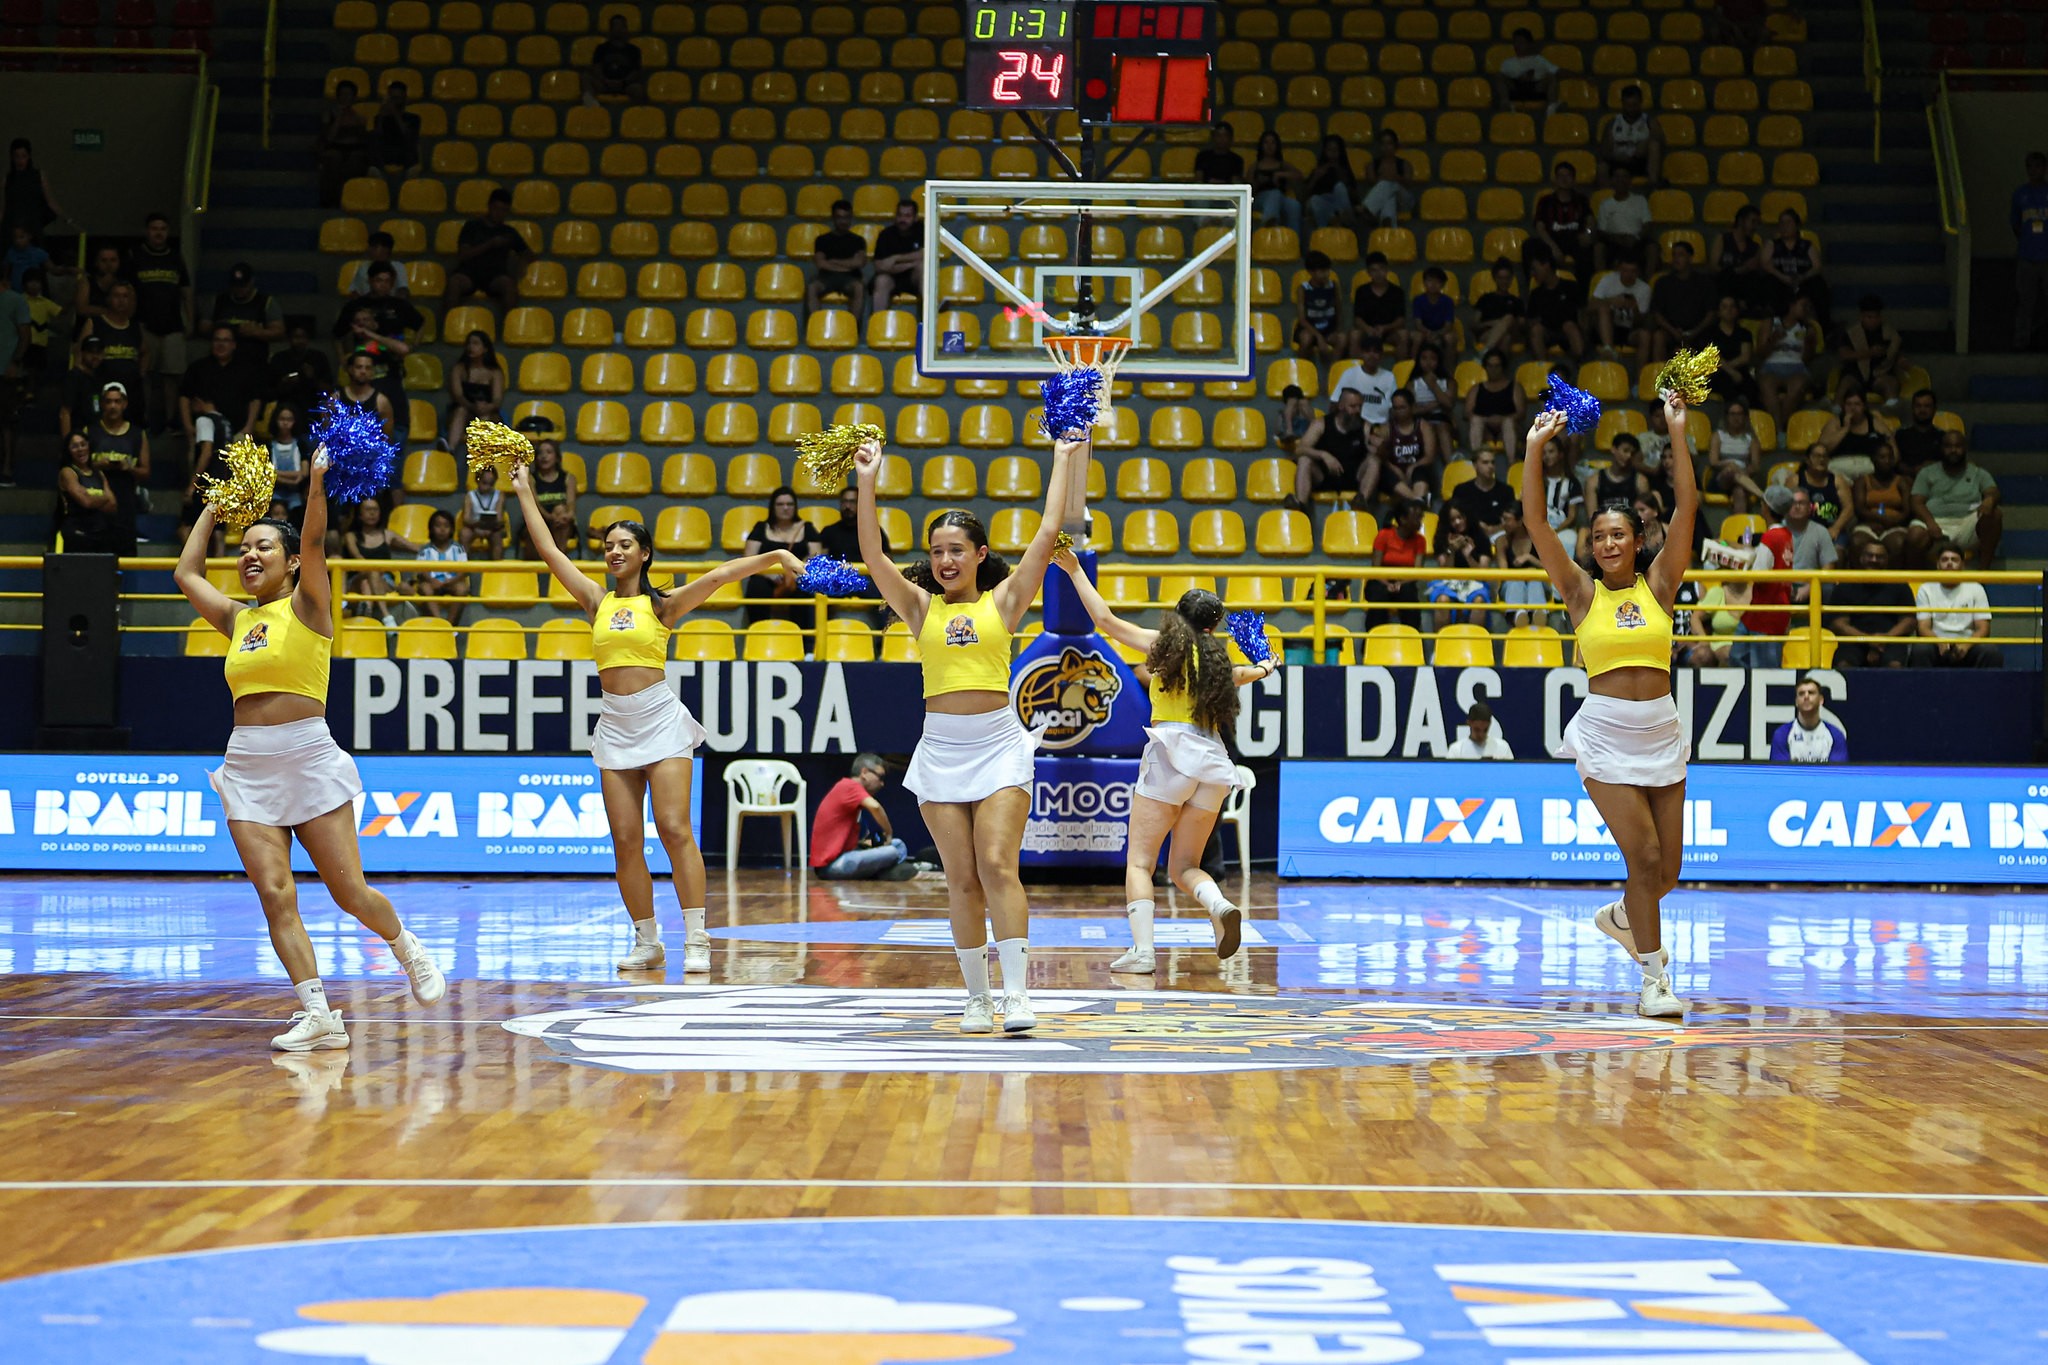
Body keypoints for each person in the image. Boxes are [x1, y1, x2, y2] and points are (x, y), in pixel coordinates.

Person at [173, 450, 447, 1050]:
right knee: (275, 893)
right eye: (244, 547)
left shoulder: (310, 606)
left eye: (264, 546)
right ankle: (319, 1012)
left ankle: (408, 948)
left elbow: (319, 540)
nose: (250, 554)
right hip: (246, 763)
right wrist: (215, 508)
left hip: (307, 756)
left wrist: (317, 481)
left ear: (293, 562)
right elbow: (187, 574)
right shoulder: (238, 619)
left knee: (349, 891)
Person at [513, 463, 802, 970]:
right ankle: (647, 941)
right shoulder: (595, 601)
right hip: (615, 725)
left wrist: (776, 555)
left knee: (673, 829)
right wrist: (523, 488)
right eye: (608, 545)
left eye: (625, 544)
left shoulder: (662, 606)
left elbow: (718, 576)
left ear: (644, 554)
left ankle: (696, 937)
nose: (614, 552)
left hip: (661, 722)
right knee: (625, 840)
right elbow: (549, 551)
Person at [849, 429, 1079, 1034]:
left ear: (979, 554)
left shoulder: (1004, 603)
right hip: (942, 751)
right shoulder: (920, 608)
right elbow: (872, 555)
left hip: (1000, 746)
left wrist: (1061, 456)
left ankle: (1018, 996)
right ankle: (976, 998)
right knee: (961, 878)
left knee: (999, 864)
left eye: (957, 549)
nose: (945, 560)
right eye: (937, 551)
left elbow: (1047, 531)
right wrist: (867, 480)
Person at [1523, 388, 1700, 1019]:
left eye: (1618, 534)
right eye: (1598, 536)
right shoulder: (1578, 593)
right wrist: (1535, 447)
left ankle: (1629, 915)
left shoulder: (1661, 585)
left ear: (1637, 539)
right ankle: (1654, 980)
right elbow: (1537, 524)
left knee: (1668, 873)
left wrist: (1675, 429)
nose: (1606, 544)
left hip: (1661, 731)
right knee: (1645, 858)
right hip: (1604, 735)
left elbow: (1687, 509)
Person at [335, 263, 422, 415]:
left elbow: (420, 324)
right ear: (370, 280)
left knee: (393, 417)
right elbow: (337, 335)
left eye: (387, 281)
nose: (383, 285)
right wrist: (343, 360)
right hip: (361, 369)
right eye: (379, 280)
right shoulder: (356, 305)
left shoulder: (400, 305)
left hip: (390, 369)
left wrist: (414, 345)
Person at [1910, 428, 2001, 569]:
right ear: (1941, 448)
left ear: (1965, 448)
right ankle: (1917, 579)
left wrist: (1989, 500)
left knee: (1995, 514)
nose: (1953, 450)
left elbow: (1993, 491)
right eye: (1948, 446)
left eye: (1958, 446)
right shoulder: (1927, 472)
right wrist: (1930, 523)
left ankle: (1984, 573)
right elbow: (1917, 502)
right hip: (1935, 522)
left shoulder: (1978, 472)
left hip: (1966, 525)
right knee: (1915, 535)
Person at [810, 754, 912, 879]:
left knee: (898, 845)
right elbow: (875, 807)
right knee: (893, 851)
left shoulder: (849, 792)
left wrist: (870, 843)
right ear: (864, 772)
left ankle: (880, 870)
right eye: (880, 777)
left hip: (847, 854)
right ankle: (884, 871)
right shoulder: (849, 786)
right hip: (832, 865)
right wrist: (888, 832)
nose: (882, 784)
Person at [1910, 542, 2003, 668]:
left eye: (1954, 560)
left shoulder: (1976, 588)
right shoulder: (1926, 588)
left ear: (1962, 565)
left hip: (1967, 643)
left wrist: (1966, 644)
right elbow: (1923, 628)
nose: (1949, 563)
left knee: (1990, 652)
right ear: (1938, 565)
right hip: (1936, 643)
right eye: (1944, 560)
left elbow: (1983, 629)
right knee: (1920, 650)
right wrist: (1939, 642)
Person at [741, 485, 821, 626]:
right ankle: (757, 632)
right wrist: (768, 573)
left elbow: (815, 556)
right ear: (773, 506)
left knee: (805, 587)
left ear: (795, 507)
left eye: (789, 504)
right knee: (756, 586)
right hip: (766, 576)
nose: (785, 508)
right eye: (780, 504)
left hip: (796, 577)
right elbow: (748, 558)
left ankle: (804, 641)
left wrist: (794, 572)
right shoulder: (761, 528)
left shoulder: (807, 528)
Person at [1827, 540, 1914, 666]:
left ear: (1887, 560)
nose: (1874, 560)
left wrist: (1885, 638)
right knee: (1844, 665)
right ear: (1861, 558)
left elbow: (1909, 622)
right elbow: (1838, 624)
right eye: (1869, 555)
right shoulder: (1845, 585)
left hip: (1890, 640)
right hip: (1854, 641)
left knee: (1894, 665)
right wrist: (1867, 639)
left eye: (1880, 557)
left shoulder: (1900, 585)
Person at [445, 187, 530, 312]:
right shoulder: (472, 226)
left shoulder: (509, 232)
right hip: (469, 272)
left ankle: (510, 327)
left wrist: (522, 263)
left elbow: (527, 252)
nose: (499, 213)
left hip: (495, 275)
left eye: (503, 210)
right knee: (454, 282)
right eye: (496, 208)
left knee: (509, 285)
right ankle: (447, 324)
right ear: (489, 206)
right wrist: (490, 244)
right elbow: (463, 254)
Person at [79, 280, 150, 428]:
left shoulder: (135, 327)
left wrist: (140, 374)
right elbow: (79, 352)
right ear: (109, 299)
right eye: (117, 296)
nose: (121, 300)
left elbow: (145, 352)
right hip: (100, 392)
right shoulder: (95, 323)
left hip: (131, 393)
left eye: (125, 296)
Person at [89, 382, 149, 556]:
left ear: (125, 404)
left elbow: (145, 472)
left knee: (126, 553)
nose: (113, 406)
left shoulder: (137, 434)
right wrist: (98, 465)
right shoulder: (91, 431)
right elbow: (77, 468)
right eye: (108, 402)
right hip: (97, 501)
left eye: (117, 401)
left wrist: (128, 468)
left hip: (126, 502)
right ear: (102, 404)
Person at [181, 323, 261, 451]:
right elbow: (184, 397)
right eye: (217, 340)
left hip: (237, 432)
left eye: (226, 340)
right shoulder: (197, 368)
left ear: (234, 345)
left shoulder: (246, 369)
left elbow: (255, 399)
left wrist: (248, 427)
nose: (221, 344)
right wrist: (188, 426)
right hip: (205, 434)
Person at [1289, 388, 1372, 511]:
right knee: (1304, 459)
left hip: (1354, 478)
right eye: (1353, 406)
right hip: (1325, 476)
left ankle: (1361, 504)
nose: (1357, 411)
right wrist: (1323, 455)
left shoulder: (1365, 426)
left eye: (1360, 406)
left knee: (1374, 460)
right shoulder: (1321, 424)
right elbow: (1299, 450)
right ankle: (1300, 507)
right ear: (1341, 406)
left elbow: (1374, 451)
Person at [342, 496, 414, 624]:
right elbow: (358, 558)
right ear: (359, 514)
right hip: (356, 578)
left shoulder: (388, 534)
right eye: (368, 509)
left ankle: (366, 616)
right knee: (370, 575)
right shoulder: (351, 536)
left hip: (384, 581)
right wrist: (374, 570)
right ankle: (386, 617)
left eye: (375, 510)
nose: (372, 513)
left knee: (367, 584)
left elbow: (416, 548)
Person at [1647, 241, 1719, 362]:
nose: (1676, 259)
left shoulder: (1705, 282)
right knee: (1658, 337)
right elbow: (1657, 313)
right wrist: (1673, 331)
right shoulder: (1662, 283)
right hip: (1671, 332)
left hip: (1699, 332)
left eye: (1680, 255)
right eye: (1674, 255)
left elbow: (1711, 313)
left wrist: (1693, 332)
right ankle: (1658, 376)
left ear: (1690, 258)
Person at [1754, 294, 1815, 432]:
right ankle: (1778, 429)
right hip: (1771, 366)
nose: (1806, 309)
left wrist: (1809, 344)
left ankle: (1781, 427)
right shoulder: (1770, 323)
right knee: (1767, 387)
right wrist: (1773, 340)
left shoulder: (1809, 328)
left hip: (1797, 367)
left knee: (1797, 388)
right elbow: (1760, 354)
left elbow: (1807, 359)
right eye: (1803, 306)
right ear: (1792, 306)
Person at [1426, 503, 1491, 629]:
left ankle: (1476, 645)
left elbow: (1483, 573)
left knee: (1479, 601)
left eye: (1460, 517)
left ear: (1467, 517)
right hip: (1448, 581)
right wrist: (1452, 551)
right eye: (1452, 520)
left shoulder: (1481, 537)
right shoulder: (1441, 538)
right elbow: (1444, 571)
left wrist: (1468, 556)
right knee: (1443, 600)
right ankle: (1440, 645)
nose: (1457, 522)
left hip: (1474, 581)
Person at [209, 262, 284, 369]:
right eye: (236, 285)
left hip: (254, 360)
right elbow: (204, 326)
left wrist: (256, 332)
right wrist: (223, 328)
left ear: (251, 281)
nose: (239, 289)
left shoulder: (266, 302)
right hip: (222, 361)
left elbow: (279, 332)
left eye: (243, 286)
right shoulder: (219, 301)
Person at [1366, 498, 1427, 629]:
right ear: (1403, 519)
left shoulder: (1420, 541)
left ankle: (1414, 641)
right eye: (1416, 518)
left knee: (1409, 598)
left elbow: (1417, 572)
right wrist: (1387, 584)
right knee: (1378, 597)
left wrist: (1400, 583)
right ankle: (1372, 642)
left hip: (1406, 582)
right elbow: (1375, 568)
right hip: (1381, 580)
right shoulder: (1384, 535)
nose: (1420, 522)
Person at [1850, 440, 1913, 566]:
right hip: (1867, 525)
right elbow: (1859, 509)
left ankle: (1894, 584)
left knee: (1899, 543)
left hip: (1895, 526)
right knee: (1857, 542)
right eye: (1882, 457)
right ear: (1873, 459)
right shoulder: (1862, 480)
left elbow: (1908, 511)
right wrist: (1881, 520)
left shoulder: (1903, 481)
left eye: (1890, 457)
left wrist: (1891, 523)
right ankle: (1857, 583)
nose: (1887, 461)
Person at [1372, 388, 1439, 505]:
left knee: (1421, 471)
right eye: (1395, 408)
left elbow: (1430, 456)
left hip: (1418, 469)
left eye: (1402, 407)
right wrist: (1395, 469)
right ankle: (1418, 502)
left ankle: (1416, 501)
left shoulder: (1423, 426)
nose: (1399, 411)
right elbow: (1382, 457)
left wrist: (1413, 467)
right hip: (1395, 472)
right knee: (1385, 472)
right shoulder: (1387, 428)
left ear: (1412, 407)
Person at [55, 430, 118, 553]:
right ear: (68, 451)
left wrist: (92, 497)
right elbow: (86, 502)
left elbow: (113, 505)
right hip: (76, 533)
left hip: (99, 532)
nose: (80, 449)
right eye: (75, 446)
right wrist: (103, 498)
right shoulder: (68, 472)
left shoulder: (99, 473)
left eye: (83, 444)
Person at [444, 328, 504, 454]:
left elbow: (497, 399)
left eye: (476, 343)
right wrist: (472, 406)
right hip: (464, 409)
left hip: (487, 410)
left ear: (485, 349)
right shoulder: (459, 368)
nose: (471, 347)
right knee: (461, 411)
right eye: (469, 343)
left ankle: (482, 455)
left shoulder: (494, 372)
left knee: (486, 417)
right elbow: (458, 396)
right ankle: (450, 450)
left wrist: (487, 407)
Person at [1530, 163, 1595, 280]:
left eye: (1568, 176)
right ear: (1555, 179)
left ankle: (1583, 293)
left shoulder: (1581, 200)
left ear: (1574, 179)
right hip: (1552, 239)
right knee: (1529, 246)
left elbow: (1590, 220)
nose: (1564, 179)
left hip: (1575, 239)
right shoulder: (1545, 201)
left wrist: (1588, 233)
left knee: (1589, 251)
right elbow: (1540, 227)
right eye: (1560, 176)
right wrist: (1553, 248)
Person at [1838, 294, 1903, 406]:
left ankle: (1890, 412)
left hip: (1880, 374)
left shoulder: (1891, 334)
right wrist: (1869, 353)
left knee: (1891, 384)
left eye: (1876, 317)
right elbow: (1844, 355)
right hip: (1855, 375)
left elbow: (1897, 353)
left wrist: (1902, 360)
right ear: (1861, 316)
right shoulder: (1850, 333)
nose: (1873, 321)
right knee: (1845, 384)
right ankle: (1837, 411)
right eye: (1869, 317)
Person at [807, 200, 867, 319]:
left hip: (851, 278)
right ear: (833, 218)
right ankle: (815, 326)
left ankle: (853, 328)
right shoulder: (822, 240)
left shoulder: (858, 240)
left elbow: (859, 262)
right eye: (839, 217)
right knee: (812, 287)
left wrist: (833, 262)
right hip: (826, 278)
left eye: (846, 217)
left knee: (859, 288)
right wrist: (848, 265)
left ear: (851, 218)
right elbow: (820, 263)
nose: (843, 221)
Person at [2012, 150, 2048, 350]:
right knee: (2025, 302)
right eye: (2030, 166)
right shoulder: (2020, 194)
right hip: (2027, 256)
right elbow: (2015, 224)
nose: (2034, 171)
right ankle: (2021, 343)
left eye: (2038, 166)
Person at [1765, 208, 1827, 322]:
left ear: (1796, 225)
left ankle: (1824, 325)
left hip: (1802, 281)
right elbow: (1766, 265)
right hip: (1780, 281)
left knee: (1818, 284)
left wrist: (1803, 277)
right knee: (1769, 282)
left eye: (1788, 223)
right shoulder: (1772, 244)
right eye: (1782, 223)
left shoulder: (1807, 245)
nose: (1784, 226)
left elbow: (1817, 266)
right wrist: (1783, 277)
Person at [316, 79, 371, 207]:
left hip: (354, 148)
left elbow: (362, 139)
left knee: (356, 159)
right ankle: (331, 201)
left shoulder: (359, 117)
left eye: (349, 95)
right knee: (334, 158)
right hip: (334, 147)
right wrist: (339, 117)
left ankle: (352, 199)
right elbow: (329, 137)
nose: (346, 98)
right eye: (343, 94)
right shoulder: (328, 114)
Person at [1815, 387, 1888, 483]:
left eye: (1857, 404)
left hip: (1868, 471)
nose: (1853, 408)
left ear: (1864, 406)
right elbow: (1822, 450)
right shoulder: (1835, 422)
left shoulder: (1874, 423)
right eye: (1849, 404)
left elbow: (1891, 446)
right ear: (1843, 406)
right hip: (1839, 470)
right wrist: (1845, 429)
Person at [1467, 347, 1526, 463]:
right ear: (1485, 367)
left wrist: (1502, 419)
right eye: (1490, 366)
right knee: (1476, 421)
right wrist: (1487, 420)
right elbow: (1467, 412)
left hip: (1509, 428)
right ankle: (1476, 461)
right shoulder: (1476, 388)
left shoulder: (1514, 387)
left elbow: (1521, 412)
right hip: (1485, 430)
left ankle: (1512, 462)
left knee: (1508, 423)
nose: (1493, 369)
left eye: (1497, 366)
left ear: (1503, 367)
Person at [1714, 203, 1774, 319]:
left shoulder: (1755, 246)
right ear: (1741, 221)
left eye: (1757, 223)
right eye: (1753, 222)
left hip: (1746, 288)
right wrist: (1740, 270)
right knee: (1725, 276)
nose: (1755, 226)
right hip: (1726, 285)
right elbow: (1714, 267)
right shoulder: (1723, 239)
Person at [2, 138, 66, 244]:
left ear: (29, 156)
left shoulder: (39, 176)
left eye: (23, 156)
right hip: (14, 229)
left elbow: (51, 202)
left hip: (34, 227)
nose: (20, 160)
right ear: (12, 158)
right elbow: (3, 209)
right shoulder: (7, 179)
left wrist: (67, 220)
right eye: (17, 156)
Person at [1525, 250, 1586, 361]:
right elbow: (1530, 320)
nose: (1532, 273)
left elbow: (1582, 312)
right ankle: (1544, 368)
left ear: (1546, 266)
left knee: (1570, 326)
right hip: (1547, 333)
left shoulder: (1570, 287)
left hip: (1568, 331)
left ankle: (1579, 363)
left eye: (1535, 269)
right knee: (1536, 330)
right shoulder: (1535, 294)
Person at [411, 507, 469, 623]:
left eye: (446, 526)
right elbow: (421, 571)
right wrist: (432, 581)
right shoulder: (425, 549)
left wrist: (451, 581)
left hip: (451, 583)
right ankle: (440, 622)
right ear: (431, 529)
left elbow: (464, 570)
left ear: (452, 529)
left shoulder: (458, 548)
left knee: (462, 589)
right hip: (432, 583)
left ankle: (449, 624)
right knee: (425, 588)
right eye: (438, 526)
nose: (442, 530)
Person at [1598, 84, 1664, 184]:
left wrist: (1644, 144)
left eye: (1634, 105)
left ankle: (1652, 186)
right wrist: (1616, 156)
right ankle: (1605, 195)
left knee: (1654, 145)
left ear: (1640, 103)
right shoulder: (1613, 123)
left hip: (1639, 162)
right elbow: (1604, 152)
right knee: (1602, 167)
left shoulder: (1649, 122)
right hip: (1618, 161)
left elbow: (1660, 140)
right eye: (1628, 105)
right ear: (1622, 103)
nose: (1631, 109)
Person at [1495, 503, 1548, 628]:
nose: (1503, 523)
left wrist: (1530, 558)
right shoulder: (1501, 541)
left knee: (1535, 581)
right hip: (1511, 584)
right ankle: (1517, 615)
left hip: (1538, 582)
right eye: (1502, 519)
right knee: (1515, 582)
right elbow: (1504, 572)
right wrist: (1524, 574)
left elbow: (1550, 570)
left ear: (1520, 521)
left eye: (1507, 519)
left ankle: (1538, 614)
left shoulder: (1539, 539)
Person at [1771, 677, 1847, 763]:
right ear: (1796, 701)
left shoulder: (1835, 735)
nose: (1806, 696)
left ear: (1821, 700)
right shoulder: (1782, 734)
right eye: (1801, 693)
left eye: (1811, 693)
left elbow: (1836, 773)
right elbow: (1781, 773)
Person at [1590, 254, 1652, 358]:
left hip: (1629, 330)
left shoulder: (1644, 289)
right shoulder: (1608, 280)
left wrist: (1634, 308)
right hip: (1607, 326)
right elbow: (1590, 305)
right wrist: (1611, 301)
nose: (1628, 275)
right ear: (1619, 270)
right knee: (1603, 309)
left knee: (1645, 335)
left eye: (1633, 271)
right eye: (1625, 270)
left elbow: (1642, 322)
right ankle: (1608, 349)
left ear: (1638, 272)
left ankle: (1641, 373)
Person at [523, 437, 577, 556]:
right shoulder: (531, 478)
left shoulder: (568, 477)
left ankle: (559, 565)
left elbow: (571, 505)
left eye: (549, 452)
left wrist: (565, 516)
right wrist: (549, 517)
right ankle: (535, 568)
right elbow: (534, 505)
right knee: (534, 526)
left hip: (561, 521)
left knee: (561, 511)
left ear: (557, 457)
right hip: (539, 519)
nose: (544, 456)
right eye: (540, 453)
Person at [1329, 335, 1396, 428]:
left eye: (1376, 352)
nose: (1371, 355)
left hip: (1381, 427)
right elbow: (1335, 403)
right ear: (1361, 354)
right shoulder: (1349, 374)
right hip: (1354, 426)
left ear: (1381, 356)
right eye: (1367, 351)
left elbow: (1393, 408)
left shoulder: (1389, 377)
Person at [1700, 294, 1757, 404]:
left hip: (1739, 371)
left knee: (1752, 389)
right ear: (1718, 312)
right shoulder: (1709, 333)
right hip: (1715, 373)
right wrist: (1731, 372)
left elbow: (1745, 357)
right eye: (1725, 307)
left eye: (1732, 307)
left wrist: (1731, 370)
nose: (1729, 310)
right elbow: (1714, 357)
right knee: (1725, 384)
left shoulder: (1744, 333)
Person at [1792, 442, 1853, 544]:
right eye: (1817, 456)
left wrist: (1835, 528)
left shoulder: (1838, 480)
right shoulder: (1795, 480)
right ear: (1807, 459)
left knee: (1837, 554)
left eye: (1825, 456)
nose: (1821, 459)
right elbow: (1787, 508)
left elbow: (1849, 508)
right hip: (1803, 531)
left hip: (1831, 530)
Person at [1595, 170, 1655, 273]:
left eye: (1624, 177)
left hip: (1636, 240)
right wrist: (1616, 238)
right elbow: (1601, 230)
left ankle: (1649, 284)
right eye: (1617, 177)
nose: (1621, 180)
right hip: (1613, 241)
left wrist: (1636, 238)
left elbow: (1647, 224)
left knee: (1652, 247)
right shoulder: (1605, 204)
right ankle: (1601, 281)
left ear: (1630, 181)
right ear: (1612, 181)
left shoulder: (1640, 200)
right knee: (1599, 247)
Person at [1346, 252, 1406, 356]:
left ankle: (1402, 370)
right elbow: (1357, 319)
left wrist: (1385, 328)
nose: (1378, 273)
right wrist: (1368, 329)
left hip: (1389, 332)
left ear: (1387, 270)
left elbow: (1400, 320)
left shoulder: (1397, 292)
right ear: (1368, 273)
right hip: (1367, 331)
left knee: (1403, 335)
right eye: (1373, 270)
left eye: (1381, 269)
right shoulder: (1362, 291)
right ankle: (1356, 369)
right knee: (1354, 335)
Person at [1451, 447, 1516, 543]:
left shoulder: (1506, 491)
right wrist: (1477, 525)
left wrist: (1494, 529)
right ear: (1475, 465)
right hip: (1470, 536)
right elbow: (1455, 518)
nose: (1490, 466)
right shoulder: (1461, 491)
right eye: (1485, 462)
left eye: (1493, 462)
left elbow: (1513, 519)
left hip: (1501, 536)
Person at [268, 321, 335, 413]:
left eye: (303, 337)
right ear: (289, 339)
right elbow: (269, 392)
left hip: (313, 407)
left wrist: (312, 378)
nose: (300, 341)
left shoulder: (318, 357)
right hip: (286, 408)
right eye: (296, 337)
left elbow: (329, 389)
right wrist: (284, 383)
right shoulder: (279, 359)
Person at [870, 198, 923, 313]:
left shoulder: (922, 230)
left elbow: (926, 254)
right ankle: (878, 325)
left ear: (915, 218)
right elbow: (879, 266)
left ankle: (929, 322)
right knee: (881, 280)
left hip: (914, 278)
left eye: (908, 216)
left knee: (923, 268)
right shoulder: (886, 234)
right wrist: (912, 263)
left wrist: (895, 258)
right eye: (900, 215)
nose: (903, 219)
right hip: (892, 278)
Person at [1293, 250, 1342, 363]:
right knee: (1306, 339)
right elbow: (1302, 320)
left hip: (1329, 329)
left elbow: (1339, 311)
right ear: (1311, 272)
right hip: (1309, 328)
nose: (1326, 274)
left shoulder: (1334, 286)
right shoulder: (1303, 289)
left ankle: (1333, 371)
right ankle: (1302, 368)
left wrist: (1338, 330)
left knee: (1342, 338)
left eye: (1327, 270)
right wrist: (1319, 337)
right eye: (1322, 271)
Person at [1249, 131, 1303, 235]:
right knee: (1274, 193)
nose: (1269, 146)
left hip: (1280, 197)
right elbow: (1249, 188)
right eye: (1266, 143)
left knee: (1294, 205)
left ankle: (1294, 239)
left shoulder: (1282, 164)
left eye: (1273, 143)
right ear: (1261, 145)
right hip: (1261, 199)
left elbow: (1299, 175)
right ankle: (1269, 226)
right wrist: (1258, 182)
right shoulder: (1255, 166)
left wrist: (1281, 175)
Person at [335, 348, 396, 439]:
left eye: (368, 368)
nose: (363, 371)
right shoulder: (336, 398)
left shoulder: (382, 402)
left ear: (372, 372)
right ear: (351, 369)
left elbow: (387, 439)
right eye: (359, 367)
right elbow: (326, 434)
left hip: (372, 452)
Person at [1494, 28, 1559, 112]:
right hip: (1516, 88)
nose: (1517, 45)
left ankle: (1552, 106)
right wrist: (1519, 78)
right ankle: (1506, 104)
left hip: (1535, 88)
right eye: (1515, 42)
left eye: (1520, 42)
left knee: (1551, 77)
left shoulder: (1539, 60)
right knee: (1499, 76)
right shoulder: (1507, 62)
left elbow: (1556, 71)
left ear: (1529, 44)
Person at [0, 265, 25, 484]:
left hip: (7, 372)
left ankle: (7, 467)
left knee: (8, 421)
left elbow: (25, 336)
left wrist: (14, 362)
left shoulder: (15, 300)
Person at [1470, 257, 1525, 354]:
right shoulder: (1485, 299)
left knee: (1509, 318)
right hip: (1487, 333)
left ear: (1511, 278)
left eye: (1507, 278)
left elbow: (1522, 325)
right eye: (1501, 278)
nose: (1504, 282)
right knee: (1505, 338)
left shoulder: (1517, 301)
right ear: (1495, 278)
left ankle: (1485, 353)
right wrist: (1493, 323)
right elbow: (1474, 325)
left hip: (1512, 333)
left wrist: (1504, 323)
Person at [60, 333, 109, 440]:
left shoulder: (102, 376)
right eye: (91, 352)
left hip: (98, 435)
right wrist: (68, 443)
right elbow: (65, 413)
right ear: (82, 353)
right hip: (78, 436)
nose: (95, 356)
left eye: (99, 352)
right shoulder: (73, 376)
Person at [1357, 130, 1409, 229]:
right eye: (1383, 144)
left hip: (1403, 200)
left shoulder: (1404, 164)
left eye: (1389, 143)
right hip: (1383, 199)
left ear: (1395, 146)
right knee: (1389, 196)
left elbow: (1408, 183)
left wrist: (1394, 178)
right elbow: (1372, 182)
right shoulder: (1372, 165)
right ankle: (1388, 223)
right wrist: (1388, 179)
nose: (1386, 147)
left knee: (1388, 184)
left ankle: (1367, 208)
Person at [588, 14, 647, 102]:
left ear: (625, 28)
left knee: (638, 89)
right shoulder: (601, 48)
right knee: (586, 78)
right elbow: (596, 68)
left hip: (625, 85)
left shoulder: (634, 50)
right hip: (605, 84)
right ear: (610, 29)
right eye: (615, 26)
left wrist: (623, 82)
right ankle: (590, 108)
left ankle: (634, 113)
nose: (618, 29)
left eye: (620, 26)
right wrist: (605, 81)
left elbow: (636, 72)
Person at [267, 402, 310, 519]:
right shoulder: (268, 446)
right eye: (282, 419)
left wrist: (277, 474)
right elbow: (266, 474)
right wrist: (292, 478)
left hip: (295, 496)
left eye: (289, 419)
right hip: (274, 495)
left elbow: (304, 472)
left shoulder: (301, 444)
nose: (285, 423)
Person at [1891, 387, 1945, 477]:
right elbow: (1894, 463)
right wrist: (1913, 471)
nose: (1922, 410)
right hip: (1906, 480)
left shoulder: (1943, 437)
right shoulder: (1900, 435)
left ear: (1935, 409)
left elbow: (1950, 463)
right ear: (1912, 408)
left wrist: (1932, 467)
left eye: (1927, 406)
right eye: (1918, 406)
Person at [1407, 266, 1457, 361]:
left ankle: (1449, 371)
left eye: (1437, 281)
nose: (1433, 284)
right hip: (1423, 331)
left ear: (1442, 284)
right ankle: (1412, 367)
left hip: (1441, 332)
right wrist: (1428, 333)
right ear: (1424, 283)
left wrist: (1437, 334)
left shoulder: (1448, 301)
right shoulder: (1418, 300)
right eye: (1430, 280)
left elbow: (1448, 326)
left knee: (1450, 338)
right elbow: (1418, 324)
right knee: (1417, 337)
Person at [460, 463, 508, 560]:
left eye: (491, 484)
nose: (487, 487)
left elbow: (499, 519)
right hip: (474, 527)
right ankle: (463, 566)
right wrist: (477, 525)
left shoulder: (499, 495)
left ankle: (497, 568)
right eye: (484, 483)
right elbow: (466, 518)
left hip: (493, 528)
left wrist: (489, 527)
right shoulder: (470, 495)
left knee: (497, 536)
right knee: (465, 534)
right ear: (477, 481)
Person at [347, 230, 411, 297]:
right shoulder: (363, 267)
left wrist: (394, 305)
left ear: (385, 249)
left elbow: (403, 291)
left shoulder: (399, 267)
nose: (369, 250)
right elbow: (355, 292)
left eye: (374, 247)